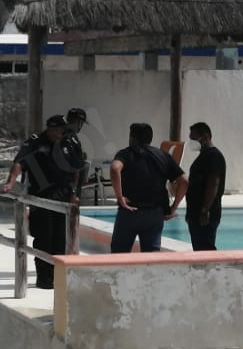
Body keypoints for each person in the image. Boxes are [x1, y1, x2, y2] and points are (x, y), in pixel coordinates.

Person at [0, 114, 83, 289]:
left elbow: (77, 169)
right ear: (49, 129)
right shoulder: (36, 142)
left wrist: (74, 192)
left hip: (63, 198)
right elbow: (19, 163)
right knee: (44, 238)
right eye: (55, 130)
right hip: (41, 197)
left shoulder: (69, 142)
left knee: (61, 240)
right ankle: (43, 279)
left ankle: (58, 277)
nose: (58, 133)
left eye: (61, 130)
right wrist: (10, 182)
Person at [109, 123, 187, 254]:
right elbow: (184, 181)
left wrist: (119, 197)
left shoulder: (126, 154)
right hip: (155, 213)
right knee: (151, 258)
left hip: (129, 211)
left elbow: (115, 168)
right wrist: (173, 207)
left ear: (132, 138)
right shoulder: (163, 156)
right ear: (150, 139)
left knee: (119, 255)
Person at [185, 122, 226, 251]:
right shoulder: (203, 156)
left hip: (205, 214)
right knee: (199, 248)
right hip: (196, 213)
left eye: (193, 138)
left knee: (206, 249)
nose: (191, 141)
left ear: (205, 137)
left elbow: (213, 183)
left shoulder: (213, 156)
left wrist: (205, 209)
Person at [65, 107, 90, 191]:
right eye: (82, 123)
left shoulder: (57, 133)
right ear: (79, 122)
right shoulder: (72, 138)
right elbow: (76, 165)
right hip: (69, 187)